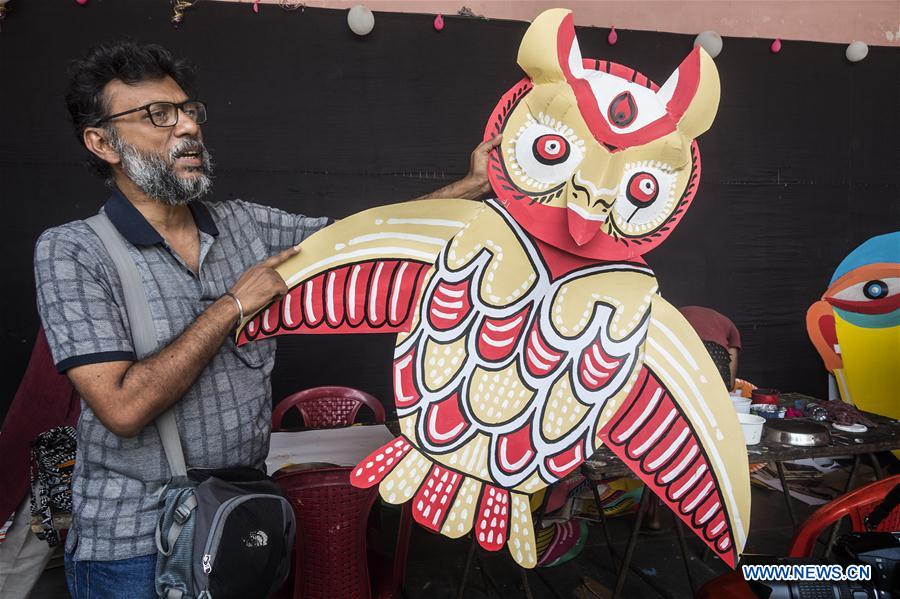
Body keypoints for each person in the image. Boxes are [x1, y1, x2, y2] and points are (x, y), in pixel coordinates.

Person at [33, 41, 499, 598]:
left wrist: (472, 186)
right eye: (158, 115)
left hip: (239, 520)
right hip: (135, 549)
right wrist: (233, 305)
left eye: (188, 110)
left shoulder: (244, 226)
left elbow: (365, 239)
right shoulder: (73, 251)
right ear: (101, 141)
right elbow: (123, 407)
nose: (187, 128)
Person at [679, 305, 742, 391]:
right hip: (714, 350)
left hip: (682, 344)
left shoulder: (677, 313)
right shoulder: (731, 329)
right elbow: (730, 384)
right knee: (720, 390)